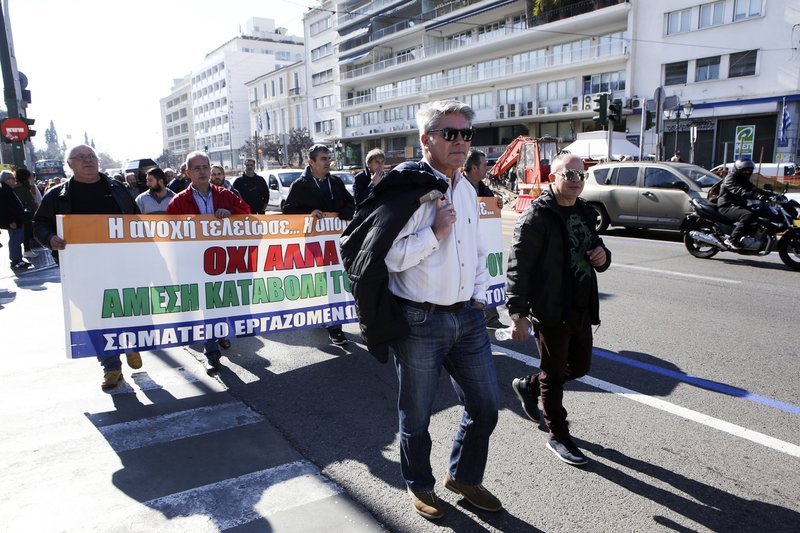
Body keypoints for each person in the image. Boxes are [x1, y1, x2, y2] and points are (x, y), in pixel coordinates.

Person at [342, 100, 501, 519]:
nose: (461, 142)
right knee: (416, 417)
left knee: (486, 406)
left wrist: (479, 297)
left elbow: (476, 251)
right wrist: (435, 231)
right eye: (451, 133)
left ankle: (463, 476)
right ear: (426, 139)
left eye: (466, 134)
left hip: (467, 317)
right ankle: (420, 484)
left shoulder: (466, 188)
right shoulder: (406, 187)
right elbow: (388, 257)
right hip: (419, 321)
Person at [506, 153, 611, 467]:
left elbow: (597, 247)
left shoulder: (585, 211)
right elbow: (518, 266)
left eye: (581, 175)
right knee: (553, 375)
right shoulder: (537, 216)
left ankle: (528, 385)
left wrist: (603, 255)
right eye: (570, 175)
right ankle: (558, 434)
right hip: (551, 307)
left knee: (579, 367)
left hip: (581, 305)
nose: (577, 181)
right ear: (553, 178)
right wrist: (518, 314)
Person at [32, 144, 143, 391]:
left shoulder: (119, 189)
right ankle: (111, 367)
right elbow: (39, 224)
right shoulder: (57, 195)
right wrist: (50, 238)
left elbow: (136, 221)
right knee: (95, 317)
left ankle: (130, 344)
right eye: (80, 157)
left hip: (121, 265)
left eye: (91, 156)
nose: (88, 160)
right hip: (82, 271)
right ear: (69, 165)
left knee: (127, 308)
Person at [166, 150, 251, 374]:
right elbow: (170, 236)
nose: (203, 172)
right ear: (187, 173)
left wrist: (230, 212)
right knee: (206, 306)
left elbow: (246, 213)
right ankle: (211, 352)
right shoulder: (178, 202)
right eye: (197, 168)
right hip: (195, 264)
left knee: (220, 302)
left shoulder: (226, 195)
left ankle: (219, 332)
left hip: (223, 262)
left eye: (206, 167)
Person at [282, 144, 355, 346]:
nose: (328, 162)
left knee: (334, 283)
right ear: (311, 162)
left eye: (329, 158)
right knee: (320, 285)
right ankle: (325, 320)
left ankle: (335, 326)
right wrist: (308, 213)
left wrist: (345, 211)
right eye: (323, 158)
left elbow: (350, 203)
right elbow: (288, 211)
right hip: (312, 245)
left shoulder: (336, 182)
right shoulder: (300, 185)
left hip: (335, 244)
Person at [463, 148, 508, 329]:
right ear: (474, 168)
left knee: (488, 276)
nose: (487, 167)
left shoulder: (483, 188)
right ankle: (471, 320)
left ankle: (491, 318)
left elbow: (490, 212)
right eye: (484, 164)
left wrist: (496, 204)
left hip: (483, 244)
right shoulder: (458, 187)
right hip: (465, 245)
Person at [717, 158, 775, 249]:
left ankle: (750, 235)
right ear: (738, 169)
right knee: (748, 215)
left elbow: (755, 189)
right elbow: (738, 191)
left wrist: (771, 194)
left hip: (738, 204)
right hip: (726, 206)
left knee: (757, 212)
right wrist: (757, 196)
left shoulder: (743, 179)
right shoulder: (730, 178)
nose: (748, 172)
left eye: (749, 170)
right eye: (745, 170)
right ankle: (732, 239)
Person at [0, 171, 32, 271]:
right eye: (12, 178)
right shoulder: (4, 190)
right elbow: (5, 208)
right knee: (15, 240)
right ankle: (16, 261)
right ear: (7, 179)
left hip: (16, 219)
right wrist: (11, 221)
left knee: (17, 239)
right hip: (14, 221)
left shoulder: (7, 189)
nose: (14, 180)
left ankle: (18, 259)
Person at [12, 168, 40, 258]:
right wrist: (34, 207)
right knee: (25, 234)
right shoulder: (22, 188)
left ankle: (25, 251)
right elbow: (28, 201)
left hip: (23, 214)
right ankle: (25, 251)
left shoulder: (17, 187)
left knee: (23, 234)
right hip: (25, 215)